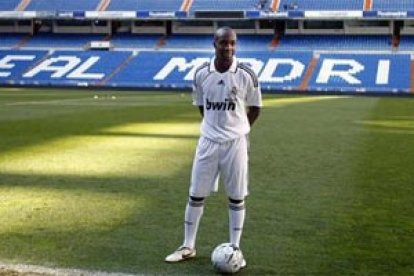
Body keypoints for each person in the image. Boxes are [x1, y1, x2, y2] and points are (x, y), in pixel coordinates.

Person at [165, 27, 262, 268]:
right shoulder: (200, 73)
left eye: (232, 44)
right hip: (207, 142)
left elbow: (256, 108)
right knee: (196, 194)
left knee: (237, 197)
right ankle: (188, 246)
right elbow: (201, 106)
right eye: (223, 43)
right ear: (214, 44)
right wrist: (214, 127)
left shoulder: (246, 73)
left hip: (236, 143)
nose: (228, 48)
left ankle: (235, 248)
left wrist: (238, 129)